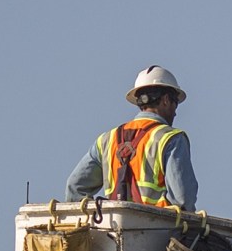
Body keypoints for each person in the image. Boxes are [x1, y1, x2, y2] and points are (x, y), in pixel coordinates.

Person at [63, 65, 200, 209]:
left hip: (111, 227)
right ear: (166, 100)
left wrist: (99, 216)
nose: (175, 112)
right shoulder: (171, 138)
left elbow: (75, 188)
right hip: (158, 228)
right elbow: (183, 199)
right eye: (175, 103)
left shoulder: (107, 140)